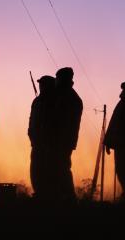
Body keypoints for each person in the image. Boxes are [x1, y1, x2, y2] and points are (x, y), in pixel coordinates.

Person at [53, 67, 83, 201]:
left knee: (61, 168)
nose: (56, 81)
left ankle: (68, 198)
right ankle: (64, 197)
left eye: (58, 78)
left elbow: (61, 119)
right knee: (60, 167)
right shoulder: (67, 95)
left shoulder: (68, 97)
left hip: (62, 139)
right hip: (63, 139)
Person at [26, 75, 55, 199]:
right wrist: (32, 135)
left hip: (48, 143)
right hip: (36, 142)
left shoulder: (54, 101)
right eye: (40, 84)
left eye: (43, 84)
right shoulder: (37, 101)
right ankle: (39, 193)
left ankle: (46, 195)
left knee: (46, 169)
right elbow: (32, 120)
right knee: (36, 169)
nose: (41, 86)